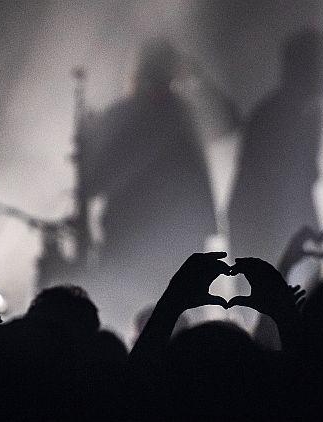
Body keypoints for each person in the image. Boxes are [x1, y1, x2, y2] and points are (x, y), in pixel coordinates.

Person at [87, 39, 217, 328]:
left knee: (135, 325)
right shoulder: (178, 115)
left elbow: (94, 183)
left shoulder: (132, 114)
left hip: (145, 240)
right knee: (176, 327)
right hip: (159, 240)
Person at [229, 29, 323, 268]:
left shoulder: (312, 116)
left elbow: (301, 189)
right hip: (265, 245)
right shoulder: (272, 118)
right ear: (307, 69)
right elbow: (252, 196)